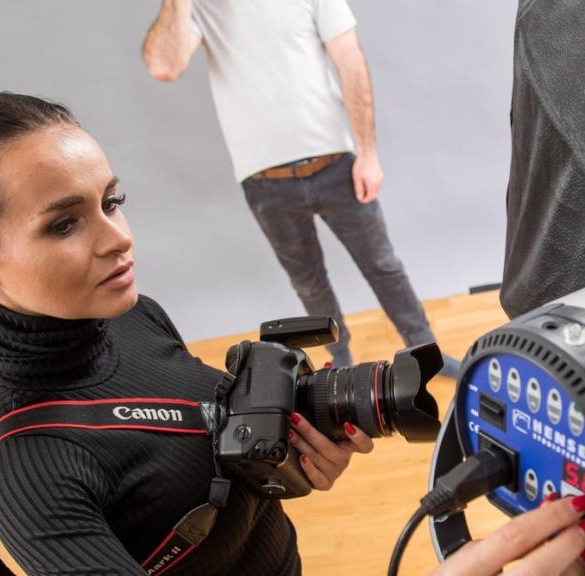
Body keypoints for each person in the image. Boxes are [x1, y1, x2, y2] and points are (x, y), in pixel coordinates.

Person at [0, 92, 585, 576]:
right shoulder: (22, 464)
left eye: (111, 201)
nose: (116, 237)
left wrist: (292, 463)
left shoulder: (131, 317)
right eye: (64, 222)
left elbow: (198, 462)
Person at [142, 0, 460, 375]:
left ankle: (425, 350)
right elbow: (164, 65)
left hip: (336, 164)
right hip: (266, 184)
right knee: (309, 283)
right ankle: (339, 359)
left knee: (383, 265)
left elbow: (350, 60)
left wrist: (368, 153)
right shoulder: (200, 8)